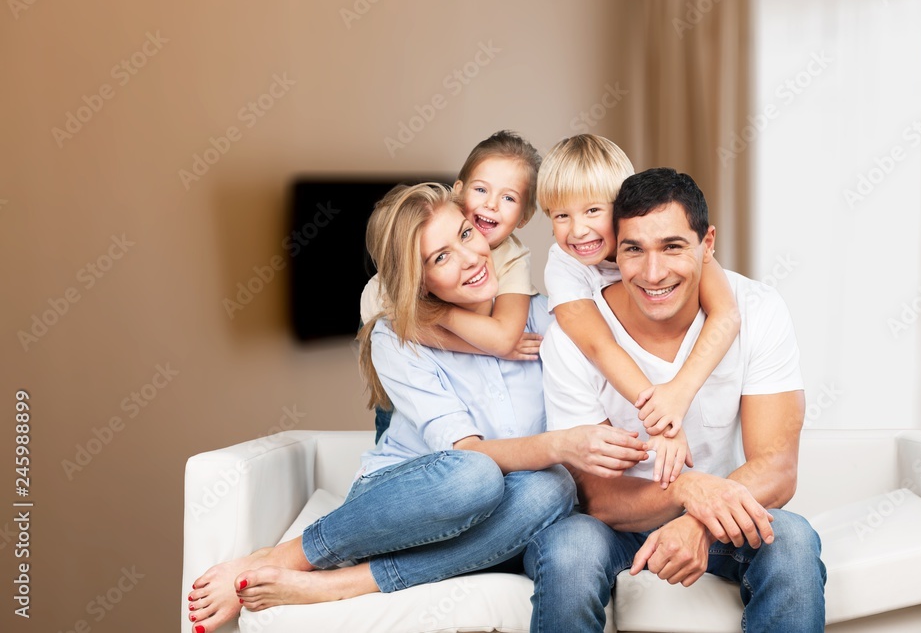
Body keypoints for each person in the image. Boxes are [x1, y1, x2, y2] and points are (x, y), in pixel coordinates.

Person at [186, 182, 648, 633]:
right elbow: (470, 454)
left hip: (512, 516)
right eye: (440, 258)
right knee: (476, 474)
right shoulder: (398, 338)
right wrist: (559, 444)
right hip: (409, 503)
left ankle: (347, 584)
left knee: (555, 489)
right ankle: (279, 558)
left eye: (466, 235)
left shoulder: (548, 316)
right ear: (419, 279)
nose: (470, 259)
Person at [526, 168, 826, 632]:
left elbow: (778, 467)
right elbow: (597, 496)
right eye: (634, 250)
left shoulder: (757, 309)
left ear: (707, 245)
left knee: (791, 540)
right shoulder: (572, 338)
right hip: (615, 525)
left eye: (672, 247)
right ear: (613, 251)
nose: (653, 273)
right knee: (570, 548)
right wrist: (686, 488)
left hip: (722, 513)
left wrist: (700, 521)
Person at [537, 135, 742, 485]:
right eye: (561, 215)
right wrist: (662, 420)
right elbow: (599, 345)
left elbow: (727, 315)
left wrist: (679, 393)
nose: (578, 229)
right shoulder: (564, 266)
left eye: (592, 210)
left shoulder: (668, 238)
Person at [360, 130, 543, 441]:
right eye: (481, 189)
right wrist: (443, 318)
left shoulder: (512, 257)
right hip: (403, 399)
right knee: (396, 433)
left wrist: (435, 314)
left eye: (509, 197)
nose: (491, 204)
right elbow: (396, 327)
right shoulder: (393, 278)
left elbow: (502, 338)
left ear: (524, 218)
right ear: (459, 192)